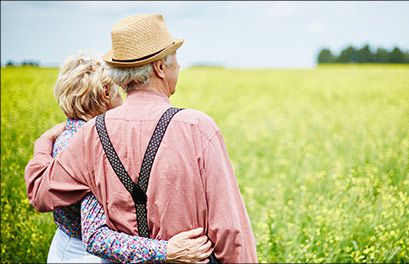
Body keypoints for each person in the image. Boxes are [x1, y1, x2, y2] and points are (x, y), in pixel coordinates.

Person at [25, 13, 257, 263]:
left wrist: (43, 144)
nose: (178, 66)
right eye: (175, 59)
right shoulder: (197, 128)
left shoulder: (92, 133)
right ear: (159, 67)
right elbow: (230, 230)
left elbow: (40, 193)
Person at [43, 52, 213, 263]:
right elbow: (97, 238)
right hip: (86, 257)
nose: (123, 98)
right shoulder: (91, 144)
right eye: (119, 90)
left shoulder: (67, 135)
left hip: (64, 245)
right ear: (106, 93)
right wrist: (167, 250)